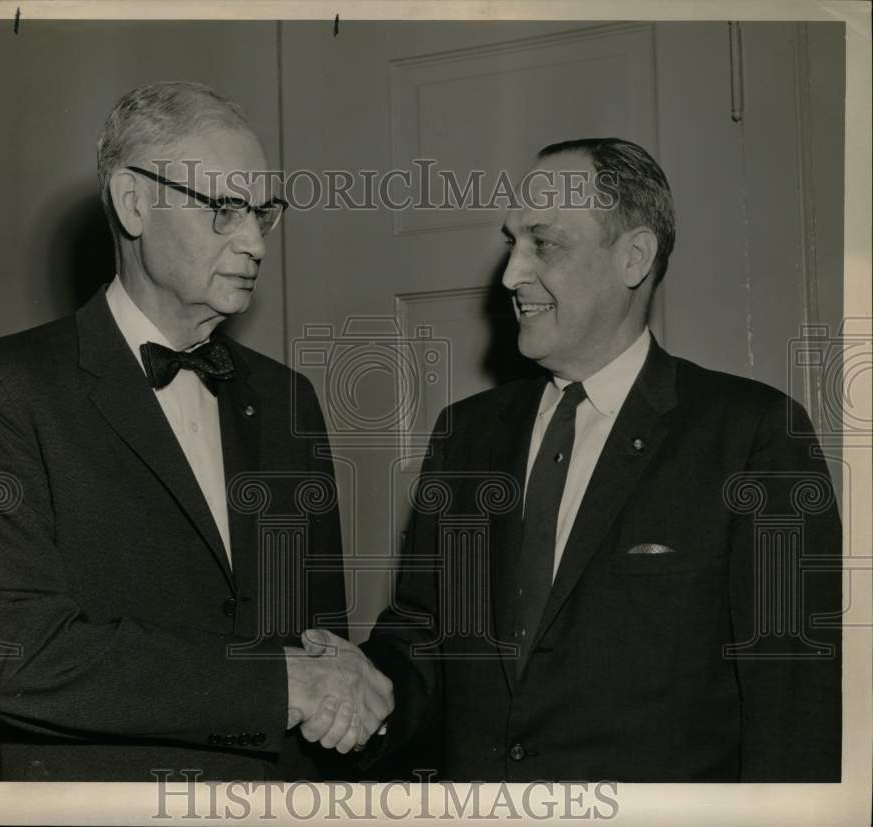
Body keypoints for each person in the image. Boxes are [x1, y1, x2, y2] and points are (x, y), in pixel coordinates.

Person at [334, 137, 840, 781]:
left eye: (543, 244)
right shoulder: (465, 436)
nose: (511, 274)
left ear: (633, 257)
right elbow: (424, 642)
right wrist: (353, 689)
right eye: (512, 243)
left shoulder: (752, 436)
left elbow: (795, 711)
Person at [0, 81, 392, 781]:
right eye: (225, 208)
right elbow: (15, 658)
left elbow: (316, 638)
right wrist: (281, 685)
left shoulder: (285, 398)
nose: (254, 243)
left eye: (262, 213)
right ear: (134, 202)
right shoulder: (1, 388)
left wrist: (354, 692)